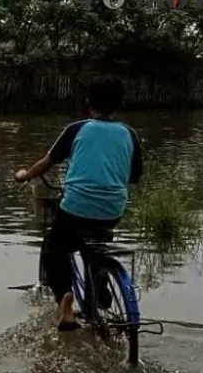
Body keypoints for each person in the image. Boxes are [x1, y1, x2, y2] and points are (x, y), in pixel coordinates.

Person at [13, 76, 143, 332]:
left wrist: (24, 175)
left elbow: (47, 163)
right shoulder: (130, 134)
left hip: (77, 206)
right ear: (119, 104)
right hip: (112, 209)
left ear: (88, 103)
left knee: (55, 248)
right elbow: (134, 178)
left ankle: (65, 301)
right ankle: (101, 283)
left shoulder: (77, 129)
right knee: (92, 243)